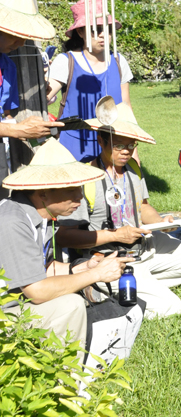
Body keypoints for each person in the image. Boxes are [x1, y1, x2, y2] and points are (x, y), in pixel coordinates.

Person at [56, 103, 181, 319]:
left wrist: (161, 221)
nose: (126, 152)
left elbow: (142, 206)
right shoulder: (85, 178)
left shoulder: (133, 168)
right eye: (119, 145)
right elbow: (64, 237)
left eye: (131, 145)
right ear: (101, 141)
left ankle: (131, 287)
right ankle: (98, 285)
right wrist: (115, 235)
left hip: (143, 246)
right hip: (109, 256)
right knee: (171, 307)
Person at [0, 138, 133, 350]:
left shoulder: (39, 215)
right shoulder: (13, 221)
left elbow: (41, 269)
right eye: (71, 190)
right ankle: (68, 376)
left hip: (14, 307)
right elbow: (37, 291)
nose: (80, 197)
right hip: (5, 316)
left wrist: (78, 268)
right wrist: (96, 275)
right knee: (69, 305)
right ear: (43, 192)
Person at [47, 0, 133, 161]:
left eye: (107, 29)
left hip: (111, 148)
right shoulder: (66, 62)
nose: (103, 35)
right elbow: (44, 97)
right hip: (72, 147)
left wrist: (132, 148)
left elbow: (126, 107)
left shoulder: (119, 61)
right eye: (96, 29)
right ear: (80, 32)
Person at [0, 0, 63, 142]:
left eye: (25, 37)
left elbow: (5, 113)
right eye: (16, 35)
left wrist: (18, 126)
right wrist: (16, 129)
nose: (21, 43)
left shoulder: (7, 67)